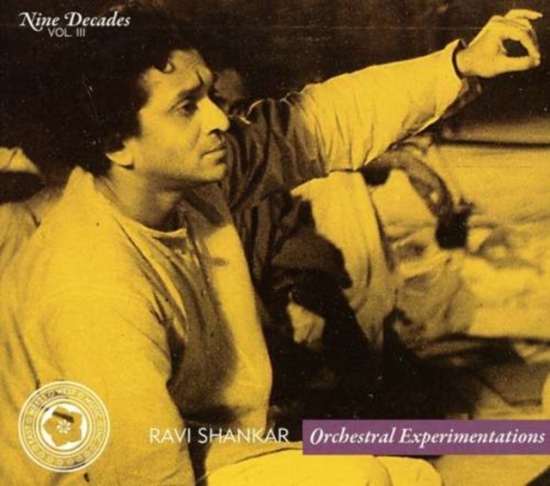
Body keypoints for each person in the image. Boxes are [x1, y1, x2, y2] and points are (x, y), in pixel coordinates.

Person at [0, 2, 542, 485]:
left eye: (209, 93)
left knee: (412, 476)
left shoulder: (176, 182)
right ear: (117, 143)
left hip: (200, 441)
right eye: (188, 106)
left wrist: (459, 65)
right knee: (363, 476)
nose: (219, 118)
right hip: (105, 475)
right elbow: (144, 475)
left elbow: (314, 124)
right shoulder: (90, 290)